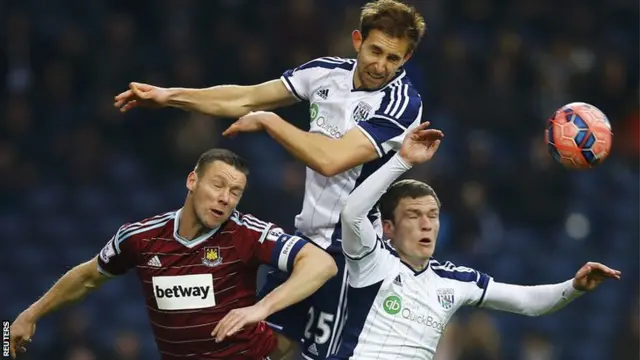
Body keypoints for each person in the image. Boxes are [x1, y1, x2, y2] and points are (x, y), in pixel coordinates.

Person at [114, 1, 426, 358]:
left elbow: (331, 160)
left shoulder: (402, 103)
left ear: (407, 59)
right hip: (307, 241)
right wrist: (171, 97)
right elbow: (245, 96)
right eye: (375, 51)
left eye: (394, 58)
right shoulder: (324, 72)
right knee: (260, 346)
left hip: (350, 254)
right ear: (357, 40)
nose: (381, 65)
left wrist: (268, 121)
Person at [9, 148, 337, 360]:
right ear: (192, 180)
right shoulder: (140, 238)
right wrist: (31, 314)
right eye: (218, 185)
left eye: (235, 192)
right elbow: (87, 277)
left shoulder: (246, 233)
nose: (225, 198)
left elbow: (321, 264)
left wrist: (259, 309)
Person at [330, 121, 622, 360]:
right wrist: (403, 160)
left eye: (433, 215)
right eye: (414, 215)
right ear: (388, 228)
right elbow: (352, 213)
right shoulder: (372, 260)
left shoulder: (455, 280)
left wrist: (573, 287)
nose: (426, 224)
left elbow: (527, 302)